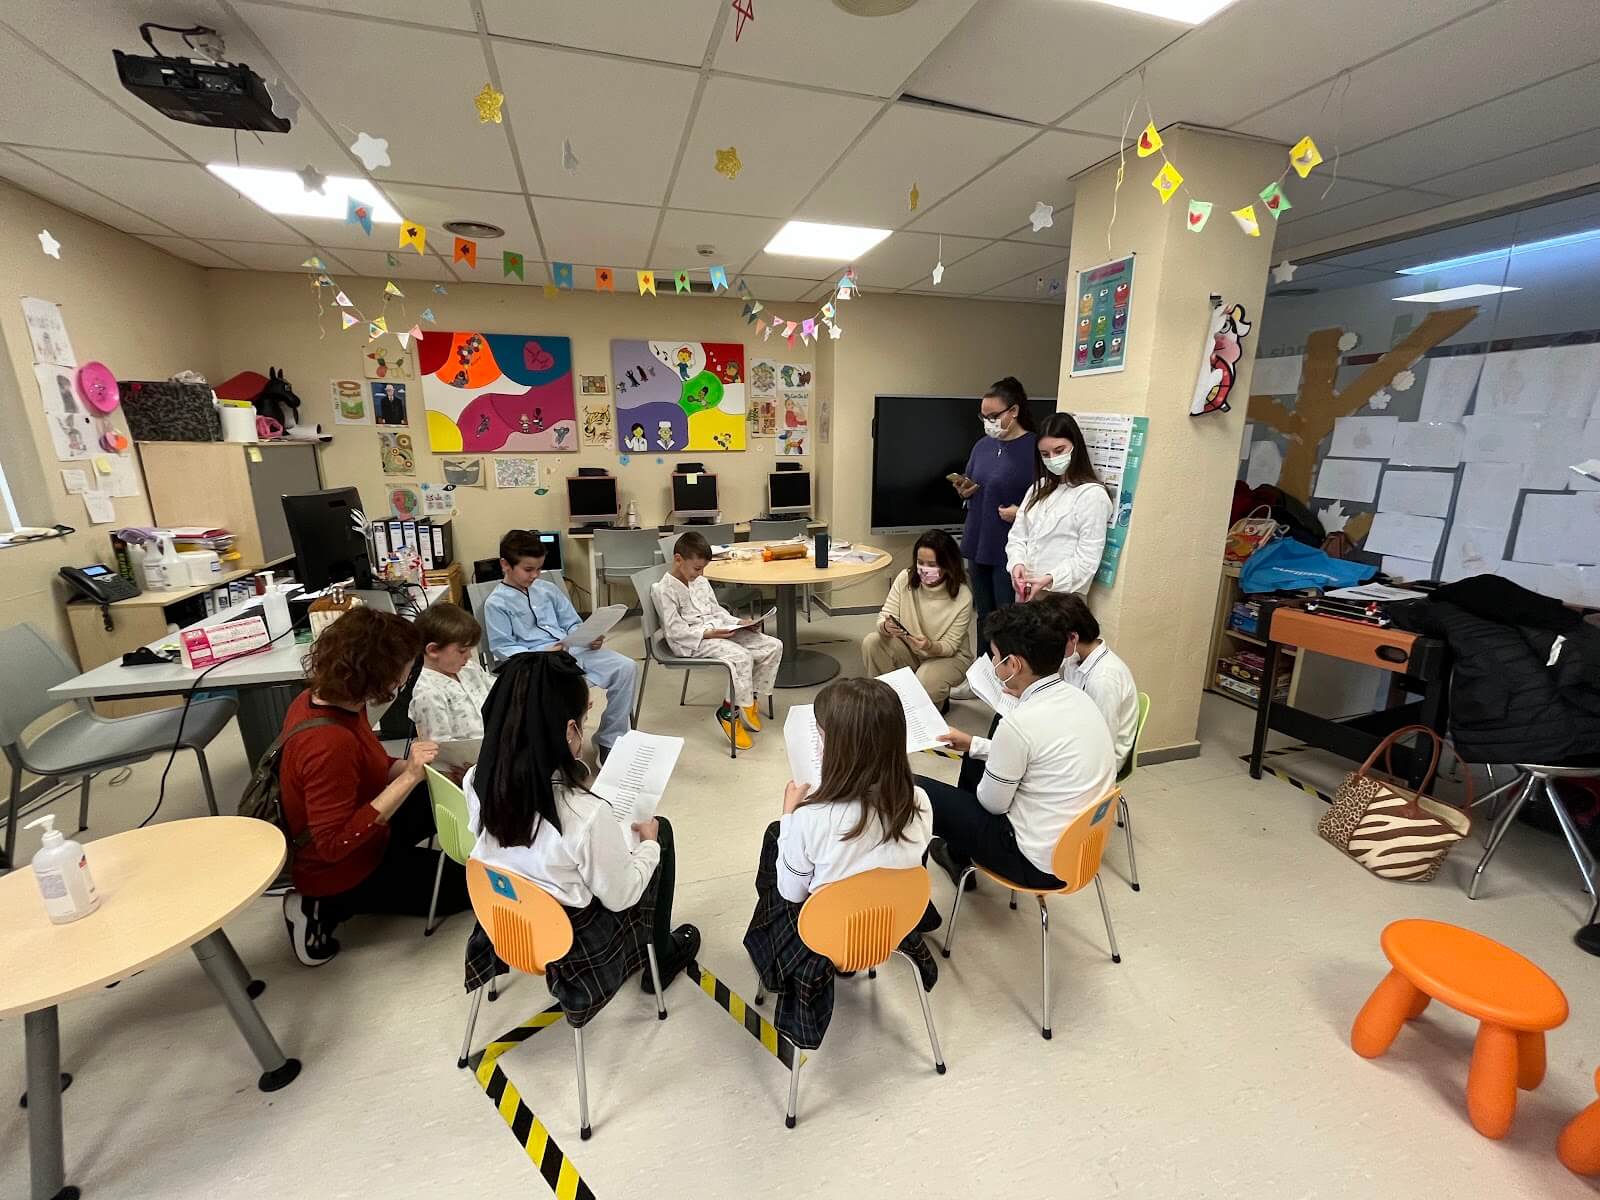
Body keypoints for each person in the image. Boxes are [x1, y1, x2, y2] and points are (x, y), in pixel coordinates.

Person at [463, 653, 700, 1012]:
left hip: (504, 919)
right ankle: (662, 955)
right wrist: (649, 846)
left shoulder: (477, 779)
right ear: (570, 731)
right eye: (585, 720)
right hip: (574, 941)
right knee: (658, 832)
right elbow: (622, 896)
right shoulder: (583, 813)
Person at [744, 677, 938, 1049]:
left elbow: (791, 892)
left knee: (776, 846)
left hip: (825, 932)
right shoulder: (920, 801)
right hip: (891, 924)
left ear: (836, 748)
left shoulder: (811, 819)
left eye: (820, 735)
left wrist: (788, 816)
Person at [278, 607, 469, 966]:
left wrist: (431, 774)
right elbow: (333, 845)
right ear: (377, 675)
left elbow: (372, 766)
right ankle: (318, 907)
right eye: (403, 668)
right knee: (470, 887)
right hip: (340, 868)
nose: (407, 675)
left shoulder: (331, 699)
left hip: (366, 818)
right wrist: (411, 775)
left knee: (447, 795)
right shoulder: (327, 743)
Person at [916, 604, 1115, 894]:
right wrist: (974, 745)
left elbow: (993, 804)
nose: (994, 665)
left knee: (913, 791)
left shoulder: (1019, 725)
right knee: (975, 757)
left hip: (1032, 864)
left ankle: (916, 915)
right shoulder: (1079, 698)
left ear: (1014, 664)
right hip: (1079, 849)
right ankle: (956, 855)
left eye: (995, 657)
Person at [483, 528, 636, 759]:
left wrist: (588, 636)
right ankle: (564, 752)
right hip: (537, 664)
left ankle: (609, 739)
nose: (535, 575)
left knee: (626, 667)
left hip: (572, 650)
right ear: (505, 564)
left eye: (539, 569)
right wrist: (542, 651)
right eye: (528, 570)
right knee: (571, 689)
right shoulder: (496, 603)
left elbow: (572, 623)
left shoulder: (547, 589)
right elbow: (503, 648)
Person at [651, 531, 782, 749]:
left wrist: (738, 622)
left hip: (717, 630)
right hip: (691, 642)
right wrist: (708, 633)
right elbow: (674, 632)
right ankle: (729, 712)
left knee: (773, 645)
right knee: (741, 657)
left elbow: (716, 611)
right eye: (696, 568)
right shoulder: (664, 590)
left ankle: (749, 698)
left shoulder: (700, 581)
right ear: (678, 559)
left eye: (703, 568)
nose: (700, 573)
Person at [951, 377, 1037, 643]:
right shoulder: (983, 446)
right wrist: (965, 489)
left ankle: (1006, 677)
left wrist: (1020, 513)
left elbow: (1049, 501)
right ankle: (982, 673)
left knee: (1006, 618)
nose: (988, 421)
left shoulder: (1034, 448)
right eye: (983, 415)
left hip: (1009, 548)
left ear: (1014, 411)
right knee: (983, 615)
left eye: (993, 415)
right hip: (978, 541)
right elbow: (975, 480)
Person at [1005, 411, 1114, 600]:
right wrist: (1017, 564)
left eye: (1059, 450)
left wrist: (1049, 579)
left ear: (1075, 447)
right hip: (1028, 592)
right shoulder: (1038, 489)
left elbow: (1087, 560)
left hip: (1063, 598)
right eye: (1045, 454)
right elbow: (1018, 537)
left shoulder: (1091, 495)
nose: (1052, 458)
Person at [860, 529, 974, 709]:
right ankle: (885, 701)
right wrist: (886, 627)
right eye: (920, 562)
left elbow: (950, 646)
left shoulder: (963, 595)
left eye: (932, 564)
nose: (924, 569)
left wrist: (929, 645)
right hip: (911, 648)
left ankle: (936, 703)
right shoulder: (905, 578)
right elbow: (885, 615)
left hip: (948, 656)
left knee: (925, 682)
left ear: (948, 564)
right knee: (872, 642)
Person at [1036, 592, 1139, 767]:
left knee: (1029, 761)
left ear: (1073, 637)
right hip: (1077, 735)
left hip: (1099, 760)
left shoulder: (1103, 679)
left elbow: (1102, 741)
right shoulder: (1076, 656)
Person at [408, 601, 494, 745]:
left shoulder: (470, 669)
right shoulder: (428, 693)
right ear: (433, 650)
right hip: (468, 761)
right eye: (462, 651)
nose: (469, 656)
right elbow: (442, 748)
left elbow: (500, 693)